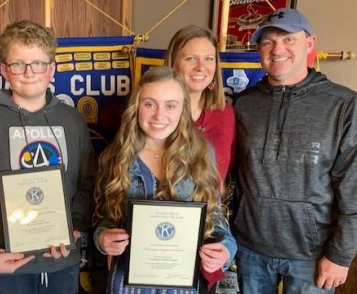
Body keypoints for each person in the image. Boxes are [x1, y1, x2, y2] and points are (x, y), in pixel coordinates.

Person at [0, 20, 95, 294]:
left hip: (61, 263)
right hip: (7, 266)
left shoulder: (72, 121)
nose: (29, 73)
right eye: (18, 64)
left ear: (51, 68)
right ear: (4, 69)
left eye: (38, 63)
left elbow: (87, 183)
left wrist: (72, 226)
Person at [234, 8, 357, 293]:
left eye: (288, 39)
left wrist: (340, 255)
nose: (278, 49)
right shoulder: (243, 105)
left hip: (313, 256)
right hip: (250, 250)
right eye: (268, 42)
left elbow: (354, 187)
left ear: (310, 43)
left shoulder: (344, 105)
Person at [93, 66, 237, 294]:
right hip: (129, 285)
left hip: (181, 285)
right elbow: (104, 220)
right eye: (149, 104)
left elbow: (215, 217)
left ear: (182, 110)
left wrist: (226, 250)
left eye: (170, 105)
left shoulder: (201, 153)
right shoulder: (115, 157)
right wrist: (102, 239)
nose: (159, 115)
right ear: (136, 107)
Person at [164, 25, 236, 182]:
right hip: (160, 205)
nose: (201, 67)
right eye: (190, 58)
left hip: (210, 205)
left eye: (209, 59)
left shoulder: (225, 114)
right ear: (173, 63)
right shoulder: (154, 111)